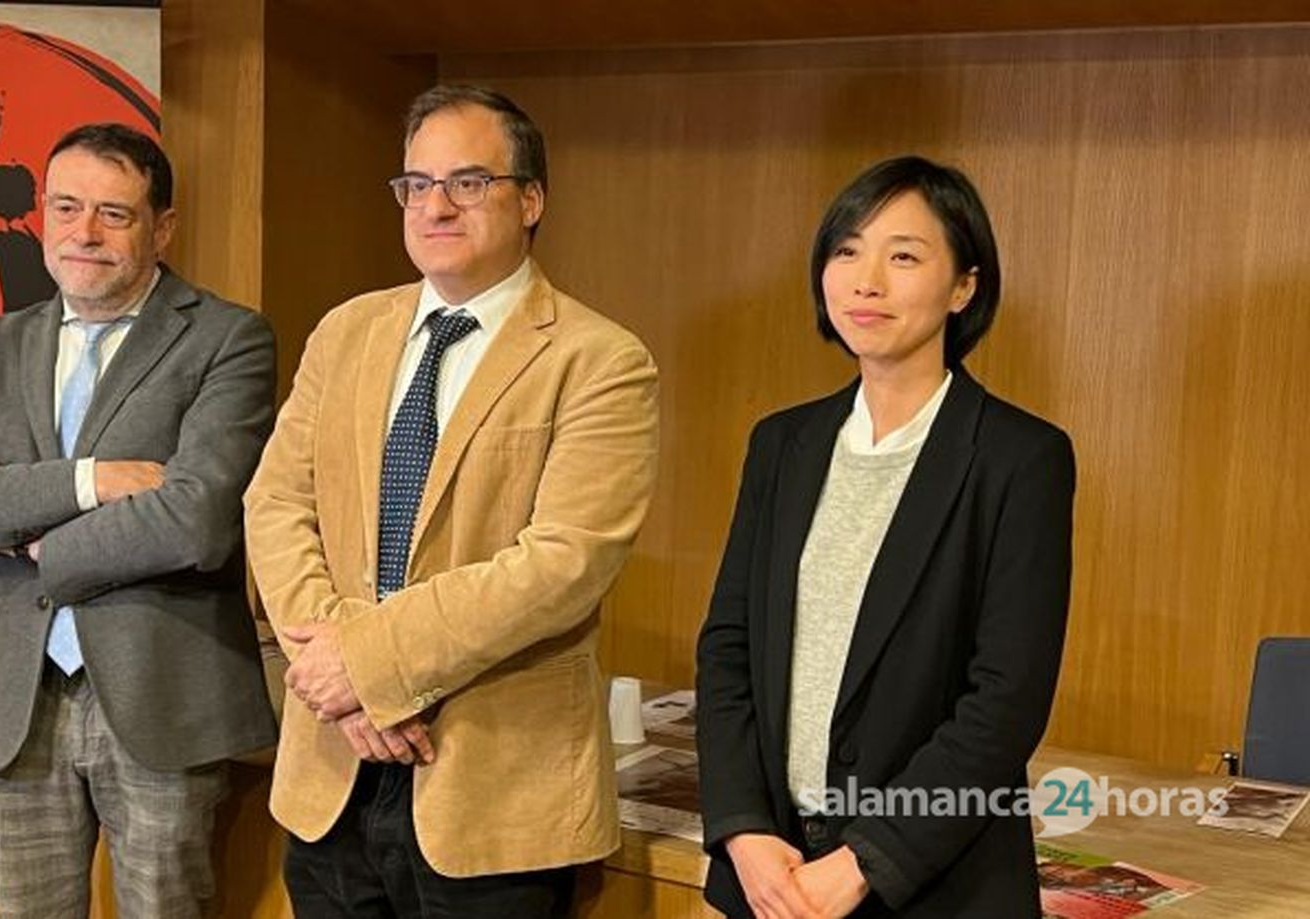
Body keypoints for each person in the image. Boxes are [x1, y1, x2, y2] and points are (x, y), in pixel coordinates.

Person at [243, 84, 659, 918]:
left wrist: (366, 664)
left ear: (531, 198)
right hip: (332, 772)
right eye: (415, 184)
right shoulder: (346, 330)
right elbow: (276, 500)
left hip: (494, 793)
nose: (435, 205)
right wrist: (343, 681)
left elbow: (562, 565)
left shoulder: (601, 359)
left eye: (469, 182)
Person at [0, 122, 278, 918]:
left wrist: (20, 527)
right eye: (66, 207)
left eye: (115, 213)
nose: (85, 233)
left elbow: (195, 521)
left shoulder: (226, 338)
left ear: (162, 227)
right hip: (14, 697)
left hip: (161, 698)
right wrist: (91, 481)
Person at [695, 155, 1075, 918]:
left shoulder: (1018, 457)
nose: (866, 280)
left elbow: (1004, 701)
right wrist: (741, 827)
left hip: (932, 885)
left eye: (903, 255)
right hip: (773, 875)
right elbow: (728, 646)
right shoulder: (783, 443)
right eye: (846, 249)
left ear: (964, 285)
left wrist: (868, 860)